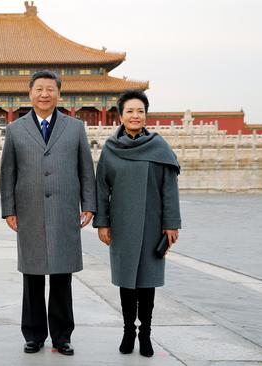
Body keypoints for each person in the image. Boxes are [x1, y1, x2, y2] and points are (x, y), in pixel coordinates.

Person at [0, 70, 96, 356]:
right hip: (29, 210)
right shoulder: (16, 129)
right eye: (39, 89)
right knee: (32, 275)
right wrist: (9, 210)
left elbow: (85, 169)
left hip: (64, 209)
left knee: (61, 275)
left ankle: (62, 336)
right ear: (30, 93)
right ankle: (33, 334)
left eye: (50, 89)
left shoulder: (75, 127)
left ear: (59, 94)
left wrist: (88, 204)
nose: (44, 94)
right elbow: (8, 173)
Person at [93, 89, 181, 357]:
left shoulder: (159, 147)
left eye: (140, 111)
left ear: (146, 116)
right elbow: (101, 189)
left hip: (153, 224)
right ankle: (128, 330)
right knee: (126, 282)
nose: (135, 116)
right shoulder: (110, 149)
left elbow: (169, 189)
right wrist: (103, 223)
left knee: (147, 283)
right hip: (122, 225)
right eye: (129, 111)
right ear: (120, 116)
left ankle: (146, 334)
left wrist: (171, 224)